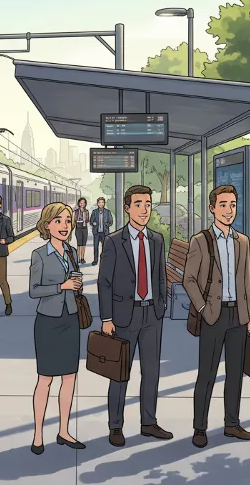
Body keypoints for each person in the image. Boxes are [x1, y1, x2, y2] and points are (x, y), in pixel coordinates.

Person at [96, 185, 172, 447]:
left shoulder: (157, 239)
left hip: (151, 314)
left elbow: (160, 276)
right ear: (127, 208)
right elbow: (104, 282)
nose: (144, 209)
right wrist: (106, 318)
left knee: (151, 372)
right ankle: (115, 426)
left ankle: (148, 423)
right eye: (138, 204)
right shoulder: (113, 241)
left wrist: (161, 306)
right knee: (120, 374)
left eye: (148, 204)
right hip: (122, 317)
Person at [184, 185, 250, 448]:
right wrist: (203, 309)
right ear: (212, 208)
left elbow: (246, 279)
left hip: (237, 316)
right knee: (207, 374)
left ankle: (232, 424)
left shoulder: (243, 241)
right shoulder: (200, 240)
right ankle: (199, 428)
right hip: (212, 316)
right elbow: (189, 279)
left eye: (233, 205)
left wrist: (249, 314)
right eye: (223, 205)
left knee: (235, 373)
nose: (229, 210)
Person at [28, 202, 86, 454]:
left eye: (68, 221)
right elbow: (33, 290)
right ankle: (38, 433)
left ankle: (63, 430)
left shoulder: (72, 252)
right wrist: (61, 287)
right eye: (59, 221)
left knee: (70, 378)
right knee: (45, 379)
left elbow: (74, 281)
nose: (65, 226)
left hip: (70, 319)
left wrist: (76, 285)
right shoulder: (39, 254)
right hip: (48, 322)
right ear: (47, 224)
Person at [90, 197, 113, 266]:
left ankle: (104, 260)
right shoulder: (94, 212)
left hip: (104, 232)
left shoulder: (107, 212)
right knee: (96, 247)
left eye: (102, 202)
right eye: (99, 202)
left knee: (104, 247)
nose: (101, 204)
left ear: (104, 203)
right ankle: (95, 260)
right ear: (97, 203)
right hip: (96, 232)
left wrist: (107, 224)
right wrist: (93, 223)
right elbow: (91, 221)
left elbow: (111, 221)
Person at [73, 197, 90, 263]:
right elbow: (74, 220)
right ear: (79, 203)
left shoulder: (86, 211)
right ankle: (78, 258)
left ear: (85, 204)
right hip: (78, 228)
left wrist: (85, 220)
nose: (82, 204)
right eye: (81, 203)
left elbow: (88, 220)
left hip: (84, 228)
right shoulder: (76, 211)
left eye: (83, 203)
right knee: (79, 244)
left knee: (84, 244)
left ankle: (82, 258)